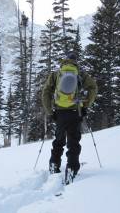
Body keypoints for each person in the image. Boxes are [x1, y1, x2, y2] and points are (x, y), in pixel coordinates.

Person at [41, 52, 97, 184]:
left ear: (64, 60)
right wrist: (85, 106)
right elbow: (93, 87)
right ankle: (72, 168)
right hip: (74, 111)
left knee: (59, 139)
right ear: (75, 61)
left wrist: (50, 112)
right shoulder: (81, 74)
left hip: (59, 112)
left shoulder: (56, 74)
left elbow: (45, 92)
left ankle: (54, 165)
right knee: (73, 141)